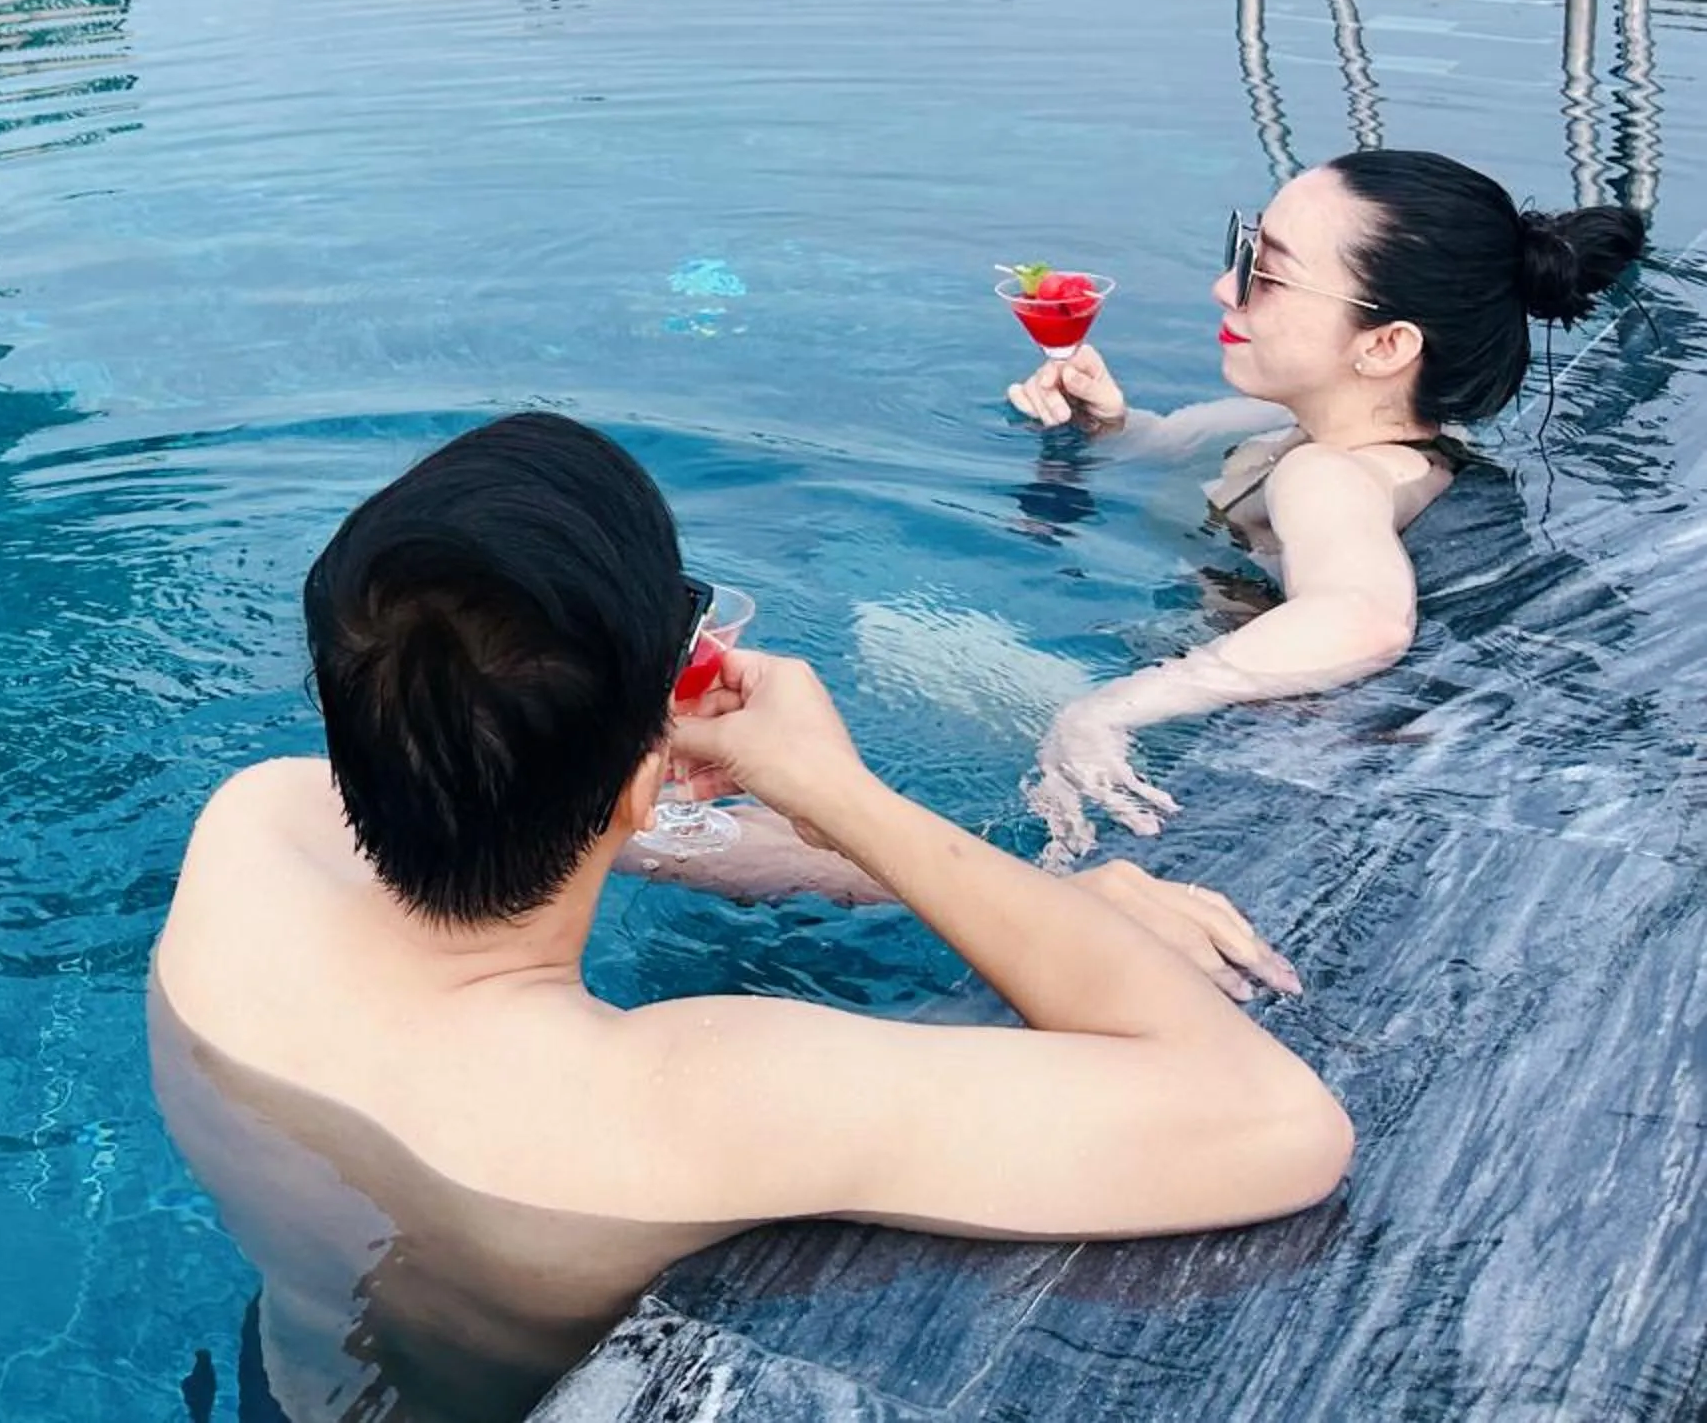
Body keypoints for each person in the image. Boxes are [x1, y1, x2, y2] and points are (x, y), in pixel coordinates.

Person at [152, 413, 1352, 1423]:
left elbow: (637, 834)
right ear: (638, 777)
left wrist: (985, 891)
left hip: (285, 1382)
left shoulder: (256, 832)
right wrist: (838, 789)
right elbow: (1276, 1124)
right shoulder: (690, 1094)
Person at [1004, 150, 1644, 860]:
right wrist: (1108, 423)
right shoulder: (1289, 430)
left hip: (1296, 741)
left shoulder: (1328, 474)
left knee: (890, 646)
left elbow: (1363, 620)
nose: (1225, 288)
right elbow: (1159, 443)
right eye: (1242, 251)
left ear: (1385, 345)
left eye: (1265, 276)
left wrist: (1109, 710)